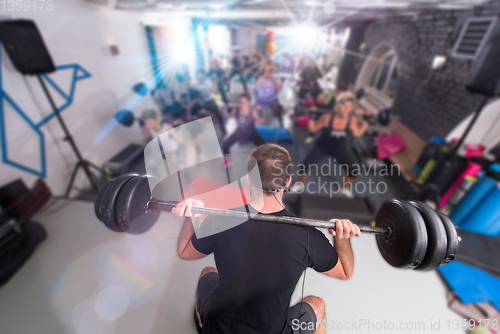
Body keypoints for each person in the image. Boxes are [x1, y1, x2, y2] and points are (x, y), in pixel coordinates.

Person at [172, 143, 360, 334]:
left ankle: (203, 322)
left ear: (248, 179)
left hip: (218, 329)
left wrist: (191, 215)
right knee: (316, 303)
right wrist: (342, 237)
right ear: (287, 182)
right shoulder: (307, 235)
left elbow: (184, 250)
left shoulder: (220, 219)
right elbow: (345, 271)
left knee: (208, 272)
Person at [293, 91, 369, 198]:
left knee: (353, 171)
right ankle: (299, 185)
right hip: (323, 147)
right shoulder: (327, 117)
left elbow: (357, 133)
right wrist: (312, 116)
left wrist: (366, 122)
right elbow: (313, 129)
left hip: (340, 149)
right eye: (345, 107)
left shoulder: (352, 119)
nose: (348, 110)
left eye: (350, 107)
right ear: (338, 106)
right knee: (303, 167)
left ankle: (343, 189)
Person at [222, 93, 265, 158]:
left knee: (265, 148)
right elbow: (230, 115)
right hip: (239, 133)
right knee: (225, 145)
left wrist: (256, 115)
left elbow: (261, 122)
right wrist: (229, 110)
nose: (241, 105)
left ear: (249, 103)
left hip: (251, 132)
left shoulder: (253, 110)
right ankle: (228, 159)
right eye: (240, 102)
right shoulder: (237, 109)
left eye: (244, 102)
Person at [192, 69, 227, 135]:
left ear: (203, 75)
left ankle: (223, 128)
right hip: (201, 103)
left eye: (201, 75)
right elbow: (195, 96)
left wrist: (215, 88)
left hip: (209, 101)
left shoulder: (208, 82)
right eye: (198, 75)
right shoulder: (195, 85)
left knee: (218, 113)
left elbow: (215, 92)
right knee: (193, 112)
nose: (200, 76)